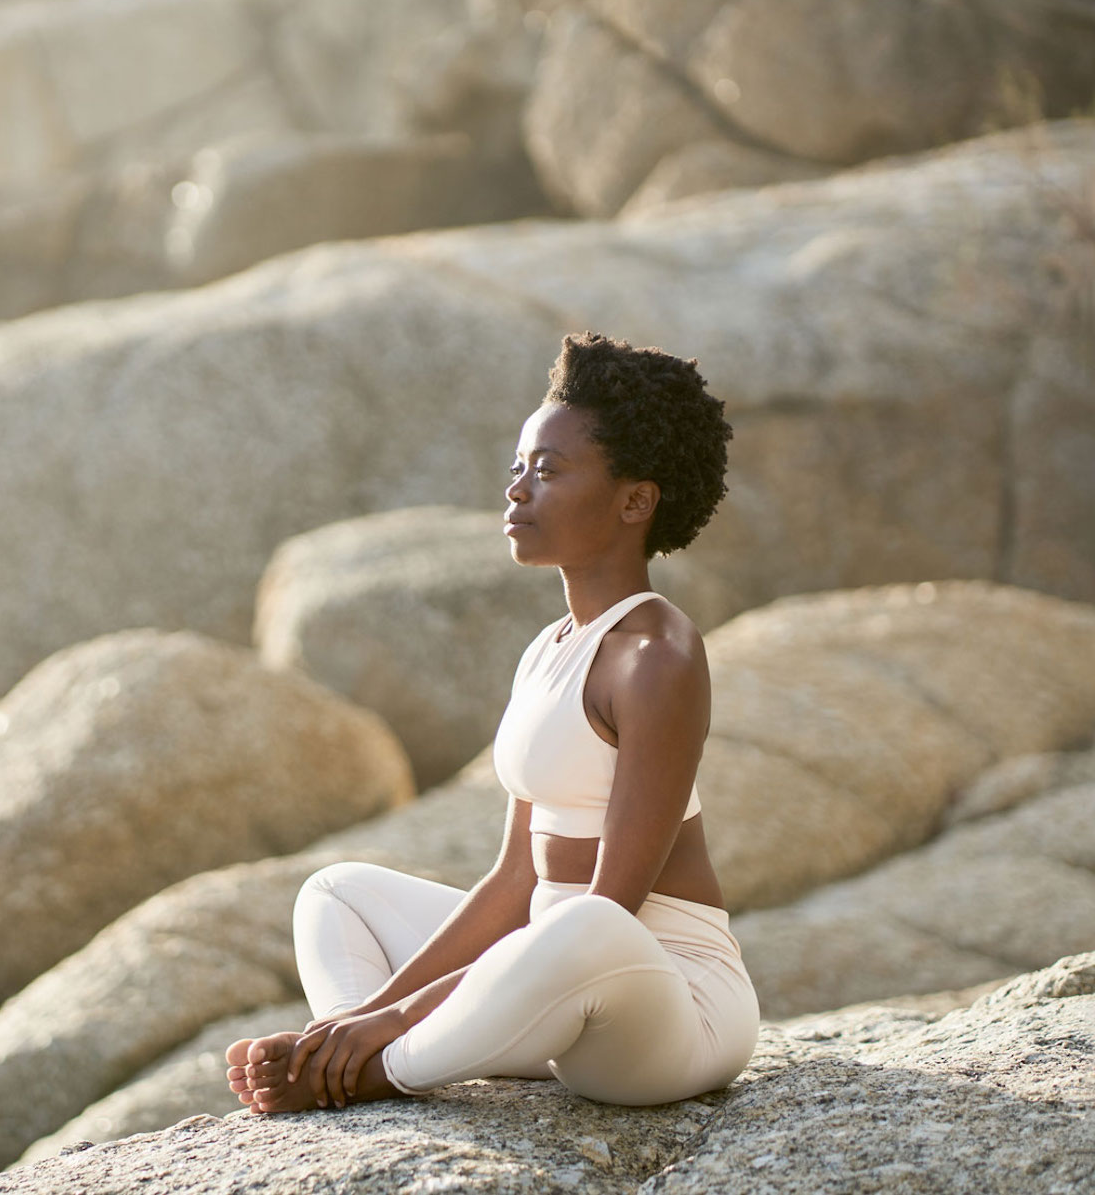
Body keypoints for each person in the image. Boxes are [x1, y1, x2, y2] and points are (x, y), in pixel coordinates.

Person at [224, 330, 756, 1114]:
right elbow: (515, 880)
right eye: (518, 468)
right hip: (544, 991)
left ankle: (379, 1069)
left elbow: (614, 909)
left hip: (664, 1005)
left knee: (584, 926)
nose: (516, 490)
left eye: (548, 471)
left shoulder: (658, 658)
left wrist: (402, 1014)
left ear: (635, 500)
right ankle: (340, 1049)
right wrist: (368, 1015)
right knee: (335, 892)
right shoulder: (550, 649)